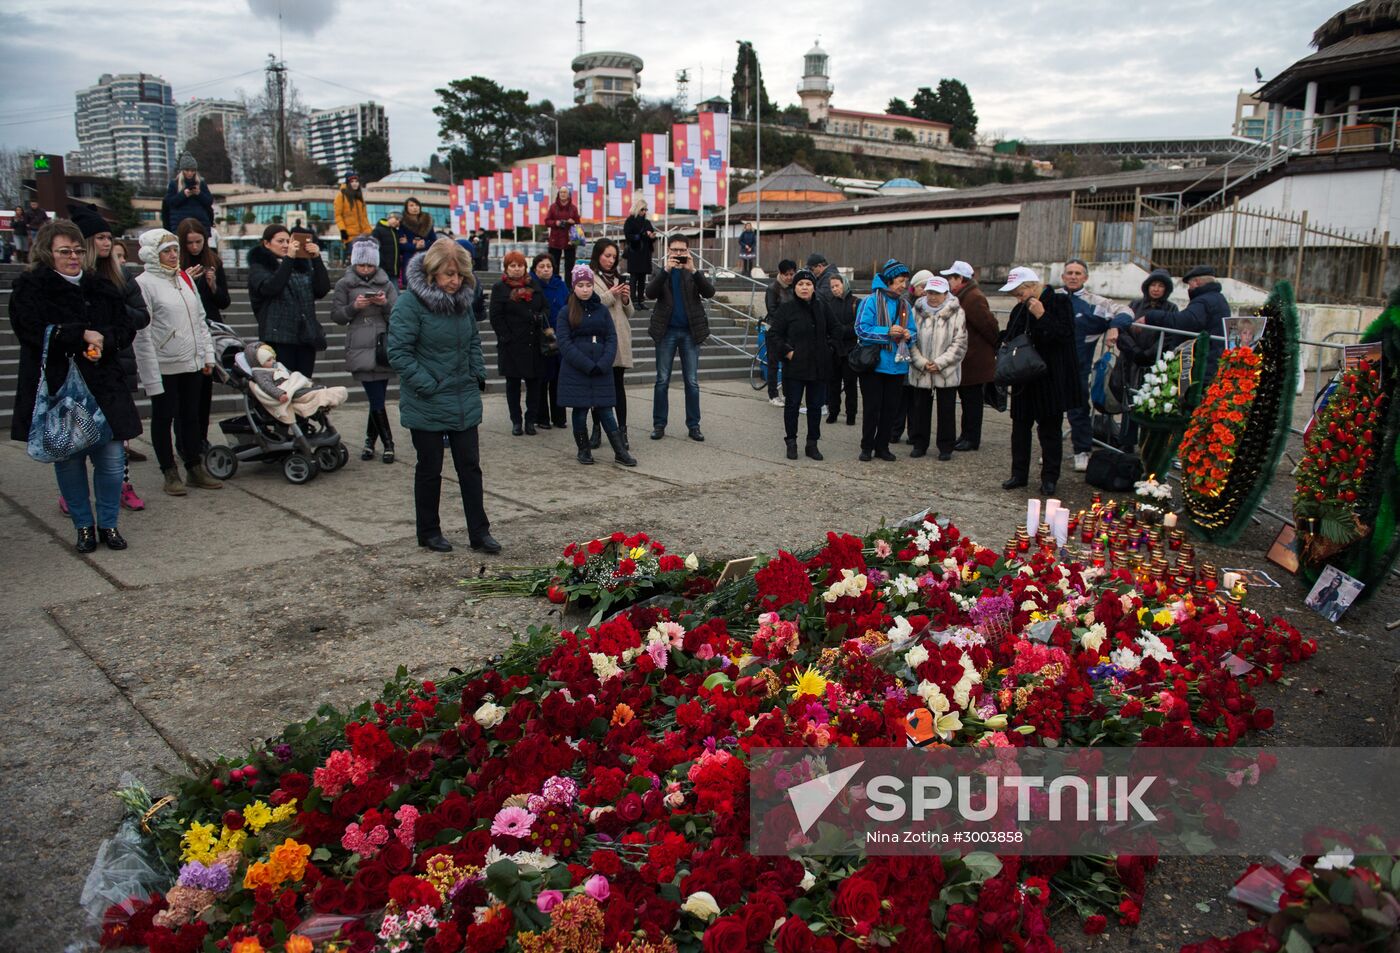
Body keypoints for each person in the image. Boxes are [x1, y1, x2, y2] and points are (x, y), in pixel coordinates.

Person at [10, 219, 142, 551]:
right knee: (69, 461)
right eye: (64, 251)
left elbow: (125, 328)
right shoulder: (32, 286)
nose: (73, 257)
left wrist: (104, 341)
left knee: (112, 462)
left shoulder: (99, 286)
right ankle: (84, 525)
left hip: (104, 385)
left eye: (77, 250)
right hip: (61, 387)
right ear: (47, 252)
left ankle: (108, 524)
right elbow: (29, 330)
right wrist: (79, 334)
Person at [387, 238, 500, 554]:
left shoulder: (461, 302)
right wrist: (427, 384)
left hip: (462, 396)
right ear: (432, 271)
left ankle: (479, 532)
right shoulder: (410, 304)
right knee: (429, 468)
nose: (455, 281)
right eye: (449, 274)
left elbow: (474, 341)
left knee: (470, 467)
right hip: (428, 399)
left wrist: (477, 371)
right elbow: (398, 352)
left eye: (460, 275)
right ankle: (429, 531)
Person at [71, 204, 149, 512]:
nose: (106, 243)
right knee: (79, 431)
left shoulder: (120, 276)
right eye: (100, 237)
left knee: (119, 434)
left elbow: (141, 315)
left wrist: (113, 310)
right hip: (82, 365)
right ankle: (74, 492)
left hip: (119, 360)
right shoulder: (76, 277)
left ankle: (122, 485)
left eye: (109, 237)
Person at [132, 228, 220, 496]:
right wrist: (150, 374)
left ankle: (194, 467)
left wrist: (207, 355)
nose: (173, 255)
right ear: (152, 255)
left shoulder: (185, 279)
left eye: (174, 250)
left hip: (191, 362)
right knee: (163, 418)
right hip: (164, 363)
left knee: (190, 416)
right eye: (166, 251)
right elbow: (142, 332)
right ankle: (169, 471)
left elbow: (200, 320)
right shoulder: (143, 283)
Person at [999, 267, 1078, 496]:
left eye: (1020, 293)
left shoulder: (1060, 303)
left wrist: (1042, 315)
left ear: (1032, 286)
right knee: (1020, 428)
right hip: (1024, 377)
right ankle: (1018, 473)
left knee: (1050, 430)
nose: (1018, 298)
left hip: (1049, 378)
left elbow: (1063, 336)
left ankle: (1050, 477)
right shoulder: (1019, 309)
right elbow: (1012, 336)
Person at [557, 264, 636, 468]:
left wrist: (604, 361)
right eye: (581, 285)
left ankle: (620, 451)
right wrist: (586, 364)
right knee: (580, 411)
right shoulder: (566, 312)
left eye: (588, 285)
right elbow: (564, 343)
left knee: (606, 410)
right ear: (574, 286)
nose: (585, 289)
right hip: (577, 370)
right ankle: (583, 449)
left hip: (601, 367)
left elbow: (611, 337)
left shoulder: (602, 310)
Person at [1059, 259, 1135, 472]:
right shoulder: (1052, 297)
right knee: (1049, 411)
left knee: (1078, 409)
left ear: (1085, 278)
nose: (1073, 276)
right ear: (1063, 276)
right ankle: (1052, 450)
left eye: (1078, 273)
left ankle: (1081, 451)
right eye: (1070, 273)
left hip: (1078, 368)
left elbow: (1126, 311)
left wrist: (1115, 327)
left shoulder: (1095, 302)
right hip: (1050, 367)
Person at [330, 238, 399, 462]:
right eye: (362, 265)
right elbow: (337, 316)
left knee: (376, 398)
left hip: (382, 344)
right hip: (360, 343)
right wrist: (354, 307)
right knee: (376, 398)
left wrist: (384, 304)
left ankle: (370, 443)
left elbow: (397, 315)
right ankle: (388, 444)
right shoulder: (344, 284)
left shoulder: (387, 284)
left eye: (370, 265)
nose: (366, 269)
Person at [646, 235, 714, 442]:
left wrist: (693, 270)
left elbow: (709, 292)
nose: (678, 254)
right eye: (674, 250)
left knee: (692, 382)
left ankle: (694, 425)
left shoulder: (692, 272)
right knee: (662, 380)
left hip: (690, 332)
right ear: (668, 250)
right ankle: (659, 425)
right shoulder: (662, 271)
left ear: (688, 251)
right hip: (666, 332)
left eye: (681, 250)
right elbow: (649, 293)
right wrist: (666, 270)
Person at [768, 269, 837, 461]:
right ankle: (791, 442)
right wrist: (788, 352)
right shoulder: (787, 308)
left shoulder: (822, 306)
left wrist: (829, 348)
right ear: (795, 287)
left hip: (818, 366)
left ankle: (812, 443)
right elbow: (774, 334)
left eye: (808, 284)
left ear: (814, 287)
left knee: (815, 407)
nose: (804, 287)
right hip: (796, 366)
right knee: (792, 405)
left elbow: (835, 329)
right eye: (800, 284)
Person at [248, 223, 331, 378]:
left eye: (288, 241)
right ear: (266, 243)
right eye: (280, 241)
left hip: (305, 337)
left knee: (304, 383)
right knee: (284, 384)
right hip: (278, 337)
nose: (285, 245)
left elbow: (322, 289)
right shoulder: (259, 267)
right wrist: (289, 259)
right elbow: (272, 287)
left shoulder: (300, 266)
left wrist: (317, 259)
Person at [855, 259, 917, 461]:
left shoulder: (905, 304)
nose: (904, 285)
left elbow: (915, 332)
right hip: (874, 365)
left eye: (905, 281)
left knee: (890, 410)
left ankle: (882, 447)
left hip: (897, 365)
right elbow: (861, 329)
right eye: (900, 281)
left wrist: (908, 335)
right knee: (872, 409)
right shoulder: (870, 301)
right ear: (889, 280)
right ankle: (867, 446)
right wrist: (887, 332)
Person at [177, 219, 230, 450]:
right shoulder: (177, 262)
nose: (195, 247)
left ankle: (201, 436)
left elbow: (224, 301)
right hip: (184, 332)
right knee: (186, 393)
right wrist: (184, 279)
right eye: (190, 243)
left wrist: (213, 284)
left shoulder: (213, 261)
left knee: (205, 390)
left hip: (209, 329)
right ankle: (185, 439)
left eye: (199, 241)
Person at [907, 276, 967, 461]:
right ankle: (919, 443)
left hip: (945, 371)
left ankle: (946, 446)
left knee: (947, 409)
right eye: (930, 292)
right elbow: (910, 338)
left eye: (937, 293)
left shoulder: (957, 312)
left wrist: (940, 363)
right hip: (921, 368)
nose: (932, 297)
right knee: (920, 408)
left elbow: (960, 343)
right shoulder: (916, 310)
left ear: (945, 293)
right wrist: (921, 362)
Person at [489, 250, 547, 436]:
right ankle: (516, 420)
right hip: (512, 344)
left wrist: (540, 316)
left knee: (534, 384)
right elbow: (496, 316)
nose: (517, 269)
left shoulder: (533, 284)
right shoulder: (500, 288)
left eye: (520, 265)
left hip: (532, 342)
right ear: (506, 268)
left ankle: (531, 420)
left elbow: (544, 306)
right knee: (512, 385)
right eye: (513, 266)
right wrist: (506, 336)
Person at [941, 260, 998, 452]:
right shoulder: (962, 296)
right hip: (967, 358)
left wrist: (991, 347)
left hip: (974, 359)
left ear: (960, 279)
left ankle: (971, 438)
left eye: (951, 277)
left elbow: (989, 326)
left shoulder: (973, 298)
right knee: (967, 400)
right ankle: (966, 435)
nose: (949, 281)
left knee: (972, 401)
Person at [1138, 264, 1230, 382]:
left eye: (1189, 284)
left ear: (1196, 282)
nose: (1188, 288)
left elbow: (1184, 321)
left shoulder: (1203, 301)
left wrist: (1151, 316)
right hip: (1210, 359)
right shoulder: (1216, 298)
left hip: (1203, 362)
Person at [587, 238, 635, 449]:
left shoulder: (619, 279)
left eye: (614, 257)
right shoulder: (589, 277)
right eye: (607, 255)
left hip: (620, 337)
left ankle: (622, 431)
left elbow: (629, 312)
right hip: (599, 339)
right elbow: (589, 305)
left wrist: (625, 299)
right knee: (598, 387)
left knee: (618, 386)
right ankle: (597, 429)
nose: (610, 260)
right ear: (598, 255)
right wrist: (610, 294)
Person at [531, 253, 569, 429]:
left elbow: (568, 306)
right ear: (535, 269)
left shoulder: (560, 285)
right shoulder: (531, 286)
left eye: (549, 266)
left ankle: (559, 417)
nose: (546, 269)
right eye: (541, 266)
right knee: (541, 380)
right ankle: (542, 417)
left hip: (559, 336)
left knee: (558, 379)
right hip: (539, 338)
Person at [825, 273, 860, 425]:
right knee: (833, 384)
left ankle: (851, 414)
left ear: (844, 284)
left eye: (837, 286)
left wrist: (841, 331)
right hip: (834, 349)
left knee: (850, 384)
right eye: (832, 287)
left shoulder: (856, 302)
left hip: (850, 349)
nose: (834, 289)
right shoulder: (829, 303)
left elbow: (858, 326)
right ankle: (833, 411)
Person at [763, 260, 797, 405]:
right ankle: (772, 395)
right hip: (774, 330)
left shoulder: (793, 287)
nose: (789, 277)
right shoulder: (773, 288)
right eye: (786, 274)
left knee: (787, 363)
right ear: (780, 274)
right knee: (773, 363)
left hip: (788, 331)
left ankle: (787, 394)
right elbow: (772, 310)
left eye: (792, 274)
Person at [162, 154, 214, 234]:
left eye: (193, 170)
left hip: (200, 223)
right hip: (180, 223)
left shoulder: (201, 183)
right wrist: (183, 195)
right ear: (182, 170)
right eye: (187, 170)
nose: (190, 173)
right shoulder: (174, 184)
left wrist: (199, 194)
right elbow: (169, 203)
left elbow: (209, 201)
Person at [622, 198, 656, 310]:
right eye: (642, 209)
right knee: (634, 277)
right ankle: (633, 300)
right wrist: (642, 235)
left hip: (645, 252)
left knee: (642, 278)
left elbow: (650, 236)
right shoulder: (630, 221)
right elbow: (628, 236)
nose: (644, 212)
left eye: (646, 209)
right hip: (635, 252)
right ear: (637, 209)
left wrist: (651, 236)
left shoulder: (647, 222)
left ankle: (641, 300)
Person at [396, 197, 437, 282]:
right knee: (409, 282)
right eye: (411, 205)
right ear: (406, 208)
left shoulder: (427, 221)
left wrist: (425, 244)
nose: (415, 207)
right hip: (409, 258)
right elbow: (401, 245)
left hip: (425, 257)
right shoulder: (402, 223)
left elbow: (434, 241)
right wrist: (414, 246)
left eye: (417, 205)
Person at [545, 187, 582, 278]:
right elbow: (547, 221)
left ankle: (569, 287)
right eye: (561, 192)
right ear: (558, 194)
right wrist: (556, 223)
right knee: (554, 265)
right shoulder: (553, 207)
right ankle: (554, 284)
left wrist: (572, 222)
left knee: (569, 266)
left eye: (565, 192)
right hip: (555, 240)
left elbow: (578, 224)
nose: (563, 194)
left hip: (569, 239)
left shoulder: (573, 208)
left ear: (569, 194)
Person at [334, 172, 371, 260]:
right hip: (350, 236)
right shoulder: (341, 196)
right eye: (352, 181)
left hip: (363, 235)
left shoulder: (360, 198)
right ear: (348, 183)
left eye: (356, 181)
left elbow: (364, 217)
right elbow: (338, 215)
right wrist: (343, 230)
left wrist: (369, 232)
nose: (355, 183)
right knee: (354, 261)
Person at [371, 209, 402, 279]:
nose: (397, 222)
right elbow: (374, 249)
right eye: (396, 218)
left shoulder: (396, 232)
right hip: (382, 271)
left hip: (394, 272)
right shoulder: (377, 230)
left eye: (399, 221)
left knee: (394, 290)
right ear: (389, 217)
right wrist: (381, 264)